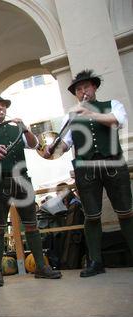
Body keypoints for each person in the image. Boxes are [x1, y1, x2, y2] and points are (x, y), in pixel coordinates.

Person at [45, 69, 133, 277]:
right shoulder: (72, 115)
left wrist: (91, 113)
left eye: (86, 87)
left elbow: (116, 120)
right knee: (92, 216)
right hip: (86, 170)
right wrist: (53, 149)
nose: (82, 91)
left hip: (112, 164)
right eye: (78, 89)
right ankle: (96, 261)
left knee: (126, 213)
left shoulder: (112, 105)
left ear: (94, 88)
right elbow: (66, 143)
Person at [0, 90, 62, 287]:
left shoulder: (18, 128)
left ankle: (41, 266)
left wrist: (24, 128)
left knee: (31, 224)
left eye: (3, 105)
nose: (1, 108)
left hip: (22, 181)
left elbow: (34, 145)